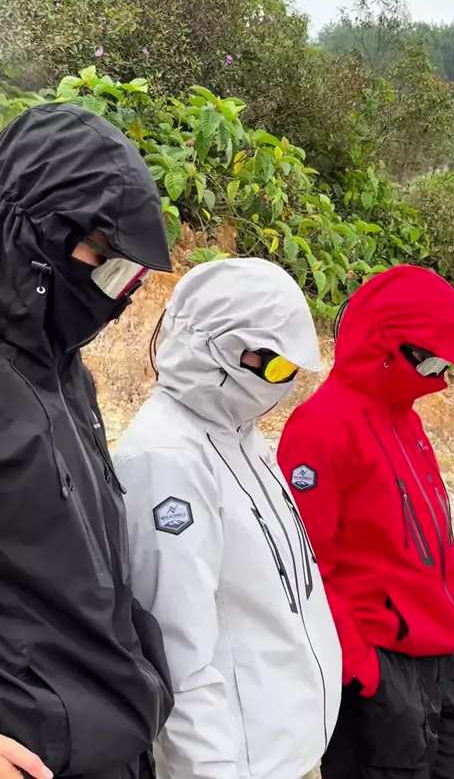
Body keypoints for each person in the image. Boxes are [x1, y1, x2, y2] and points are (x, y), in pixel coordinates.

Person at [114, 257, 342, 779]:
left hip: (292, 751)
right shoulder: (167, 460)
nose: (283, 384)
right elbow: (179, 652)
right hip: (244, 764)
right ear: (217, 348)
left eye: (292, 370)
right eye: (276, 367)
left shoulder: (241, 436)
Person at [0, 103, 174, 779]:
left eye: (128, 275)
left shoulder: (65, 371)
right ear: (26, 225)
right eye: (101, 258)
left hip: (108, 734)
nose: (114, 294)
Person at [278, 264, 454, 779]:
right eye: (430, 361)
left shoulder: (405, 417)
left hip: (446, 657)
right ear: (387, 347)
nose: (439, 379)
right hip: (383, 674)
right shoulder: (322, 428)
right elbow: (305, 565)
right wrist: (361, 666)